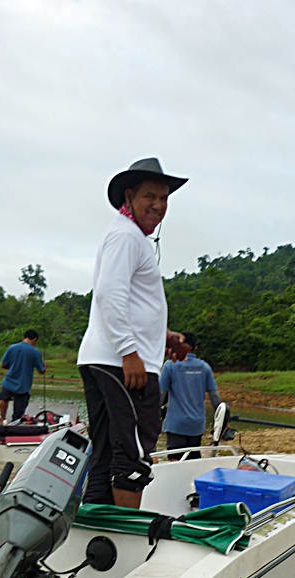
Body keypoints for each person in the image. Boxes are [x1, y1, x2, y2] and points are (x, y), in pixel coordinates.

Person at [77, 157, 188, 508]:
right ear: (130, 196)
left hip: (106, 358)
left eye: (164, 198)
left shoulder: (127, 235)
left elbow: (129, 301)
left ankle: (99, 530)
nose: (158, 205)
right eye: (150, 196)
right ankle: (125, 541)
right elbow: (109, 294)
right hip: (120, 363)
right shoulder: (126, 236)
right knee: (134, 450)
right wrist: (130, 351)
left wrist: (162, 335)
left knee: (109, 448)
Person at [159, 332, 222, 459]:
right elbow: (215, 397)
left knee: (175, 459)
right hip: (196, 425)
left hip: (175, 425)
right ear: (196, 348)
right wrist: (223, 419)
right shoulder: (205, 368)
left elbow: (160, 394)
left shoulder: (170, 365)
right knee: (192, 460)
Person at [0, 329, 46, 423]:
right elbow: (41, 371)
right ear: (35, 339)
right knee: (19, 411)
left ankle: (2, 419)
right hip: (23, 384)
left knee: (3, 398)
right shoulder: (35, 352)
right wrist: (45, 366)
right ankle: (15, 425)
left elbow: (3, 365)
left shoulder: (12, 347)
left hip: (9, 380)